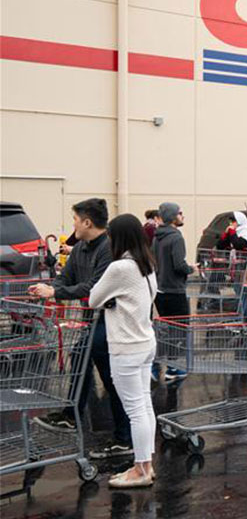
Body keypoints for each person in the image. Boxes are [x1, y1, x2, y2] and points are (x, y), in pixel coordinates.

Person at [29, 199, 131, 459]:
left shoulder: (109, 249)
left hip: (111, 318)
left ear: (87, 222)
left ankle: (125, 437)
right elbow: (67, 278)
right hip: (90, 317)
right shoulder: (80, 249)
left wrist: (55, 291)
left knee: (110, 376)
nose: (72, 224)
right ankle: (71, 415)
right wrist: (51, 289)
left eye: (75, 219)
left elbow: (94, 287)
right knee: (80, 359)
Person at [88, 214, 158, 488]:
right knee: (144, 405)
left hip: (126, 347)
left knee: (135, 410)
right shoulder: (147, 264)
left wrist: (110, 301)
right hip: (145, 342)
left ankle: (141, 470)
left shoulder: (120, 267)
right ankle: (145, 465)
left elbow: (94, 298)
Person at [152, 202, 197, 382]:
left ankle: (156, 365)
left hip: (160, 290)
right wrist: (191, 269)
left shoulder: (157, 237)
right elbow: (179, 265)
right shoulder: (176, 237)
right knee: (179, 331)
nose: (182, 216)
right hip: (174, 290)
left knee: (165, 330)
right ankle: (171, 367)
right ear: (172, 216)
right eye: (180, 213)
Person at [218, 211, 247, 285]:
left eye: (233, 221)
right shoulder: (234, 233)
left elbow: (238, 244)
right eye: (230, 221)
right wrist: (226, 234)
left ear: (240, 221)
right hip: (239, 268)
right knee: (239, 290)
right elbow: (220, 246)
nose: (231, 224)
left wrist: (232, 232)